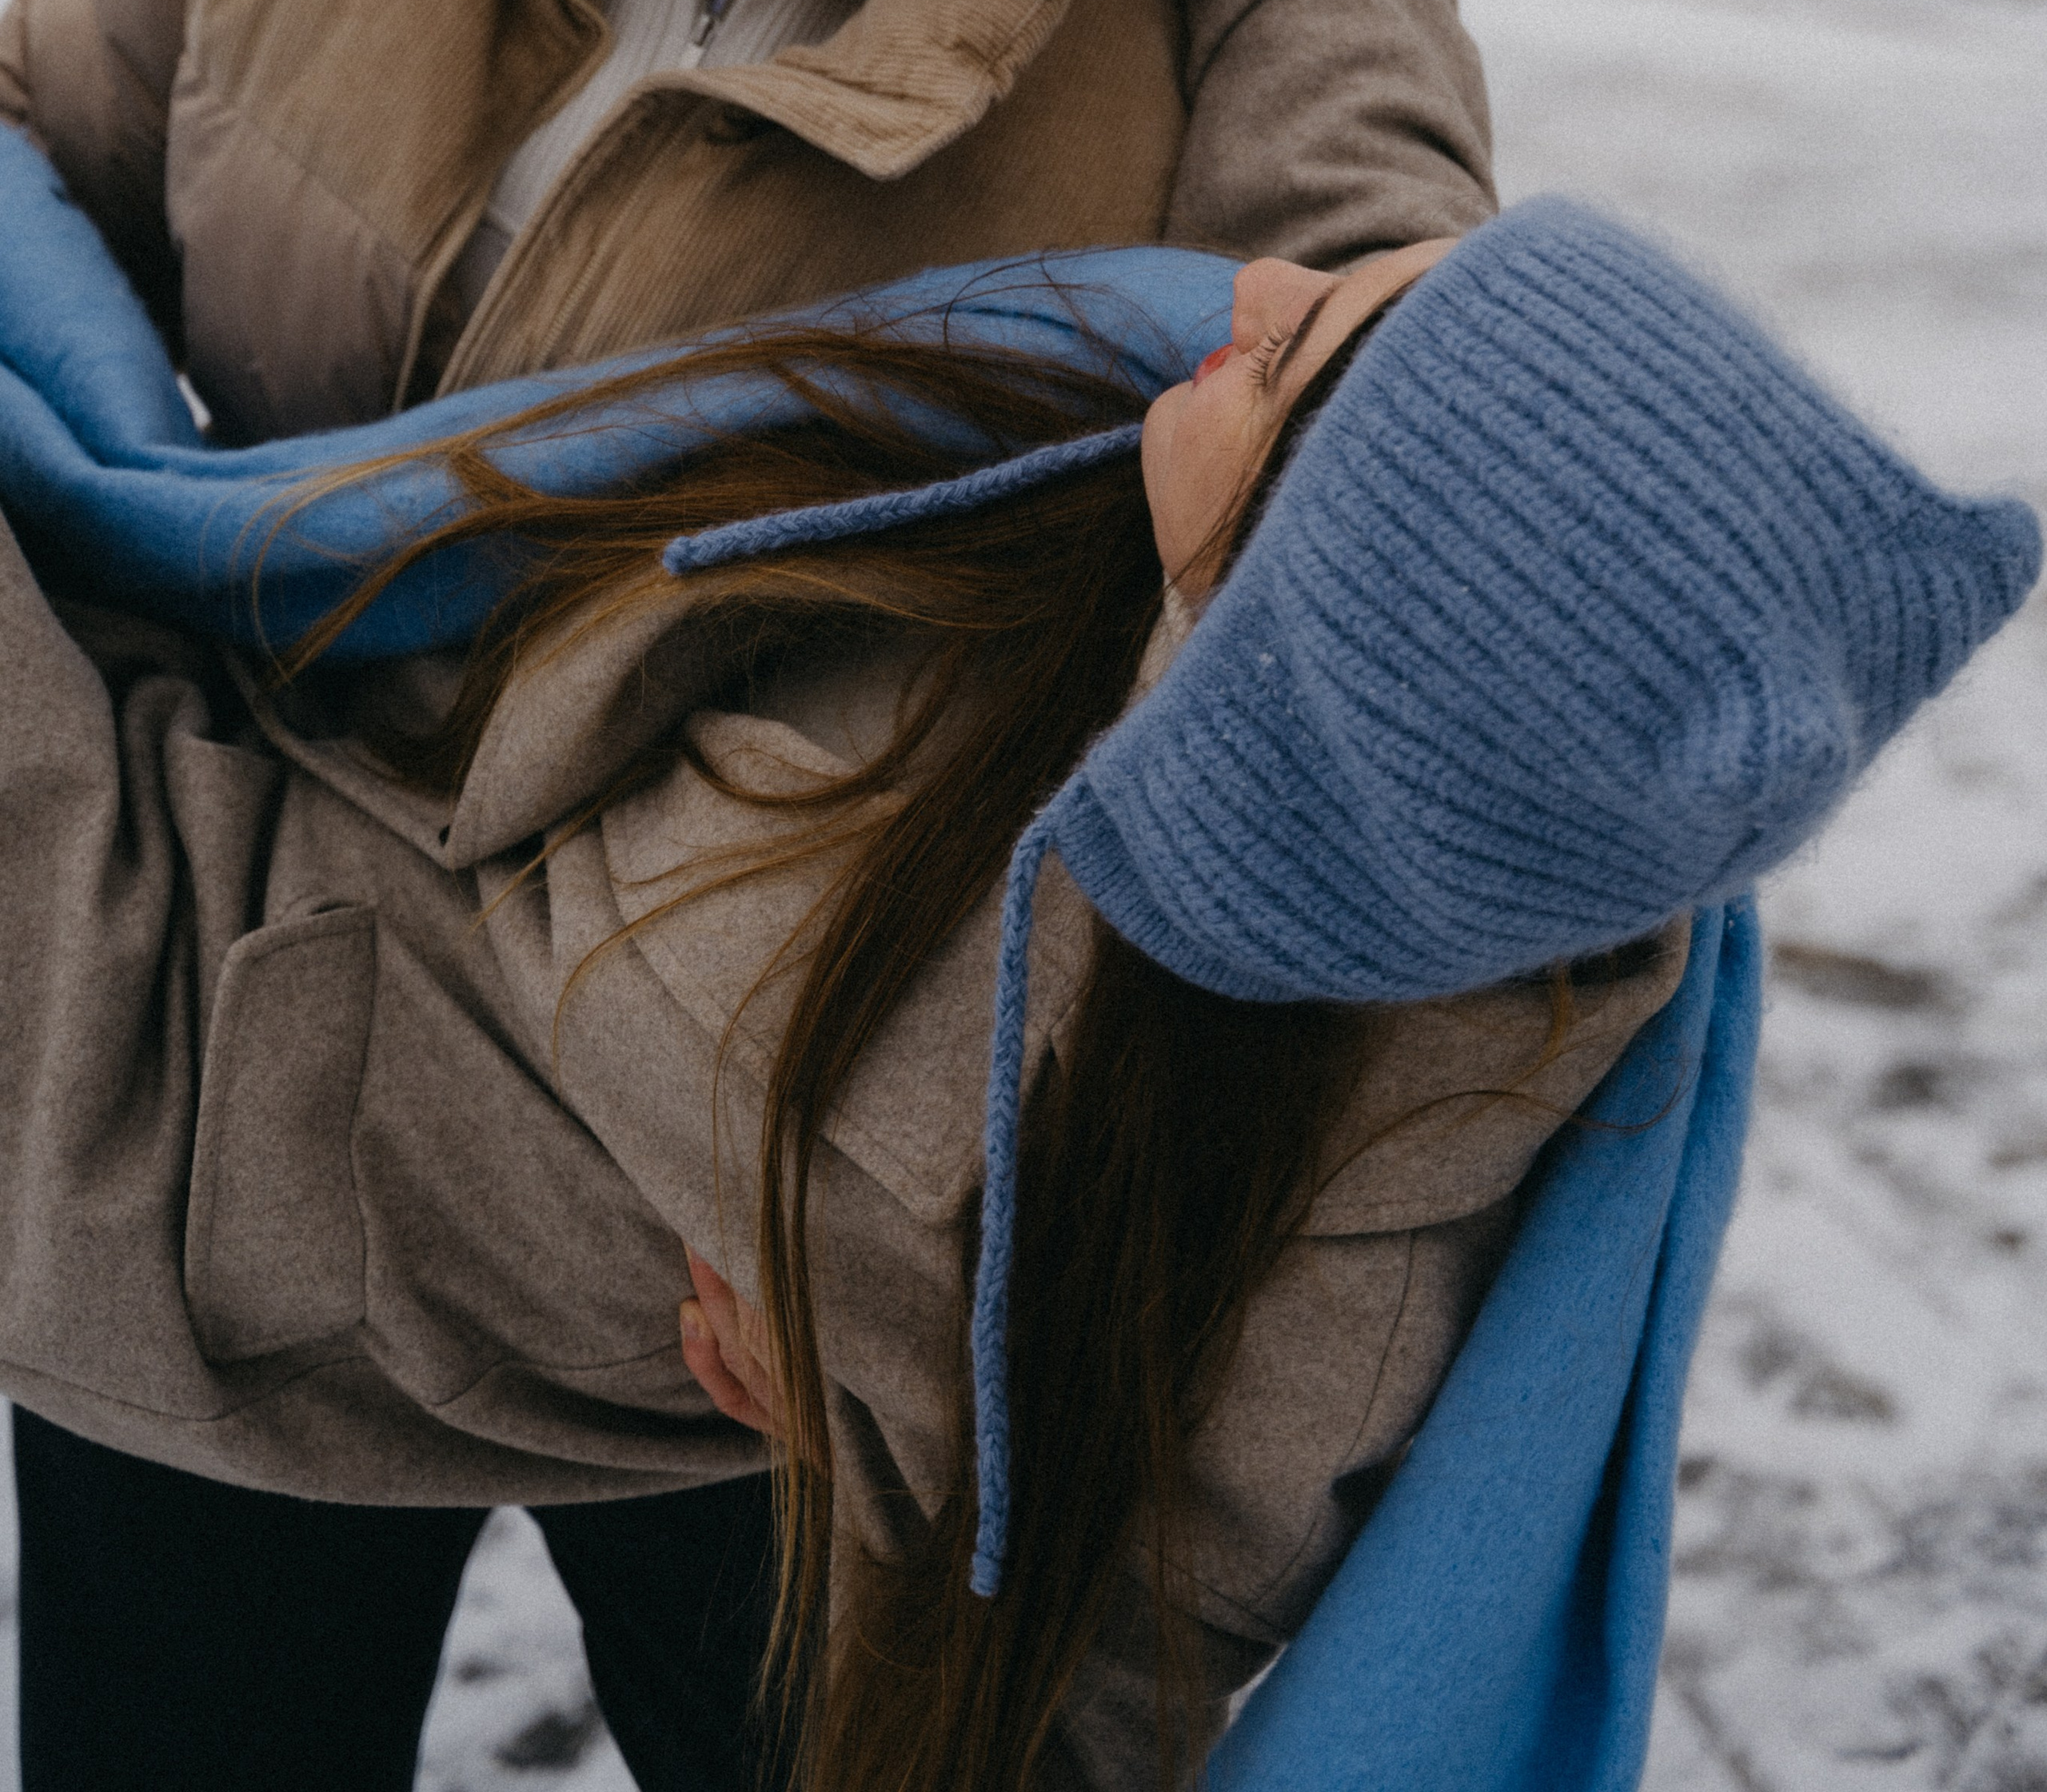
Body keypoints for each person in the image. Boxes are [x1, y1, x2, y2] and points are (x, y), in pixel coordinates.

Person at [0, 0, 1495, 1778]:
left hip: (729, 1290)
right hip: (204, 1198)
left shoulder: (1183, 69)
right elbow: (50, 176)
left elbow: (1346, 627)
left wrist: (927, 1266)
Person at [0, 177, 2032, 1792]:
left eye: (1301, 355)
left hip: (164, 1107)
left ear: (1295, 639)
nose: (1253, 295)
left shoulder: (1308, 1247)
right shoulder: (1206, 611)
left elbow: (1091, 1677)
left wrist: (888, 1436)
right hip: (252, 815)